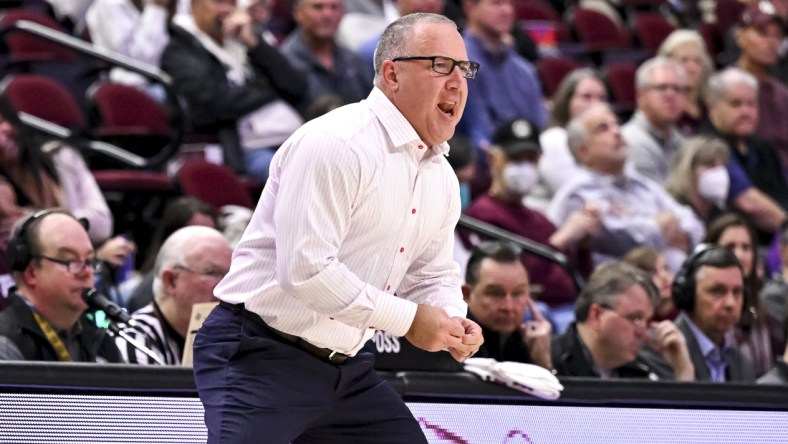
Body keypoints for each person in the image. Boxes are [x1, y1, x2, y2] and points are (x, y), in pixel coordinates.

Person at [193, 13, 483, 443]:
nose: (458, 81)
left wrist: (452, 320)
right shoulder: (336, 143)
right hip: (261, 353)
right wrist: (409, 321)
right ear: (392, 74)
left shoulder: (440, 174)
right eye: (441, 65)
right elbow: (306, 271)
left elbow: (432, 274)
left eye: (465, 68)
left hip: (346, 366)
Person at [463, 118, 599, 331]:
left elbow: (577, 276)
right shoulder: (483, 215)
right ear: (493, 159)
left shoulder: (539, 218)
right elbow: (518, 278)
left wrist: (583, 246)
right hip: (534, 311)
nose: (524, 167)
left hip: (568, 307)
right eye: (514, 158)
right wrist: (562, 239)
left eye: (531, 159)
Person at [546, 103, 705, 271]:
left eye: (616, 124)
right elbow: (629, 244)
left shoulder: (643, 185)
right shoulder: (578, 195)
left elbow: (695, 225)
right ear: (583, 152)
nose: (616, 132)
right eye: (603, 129)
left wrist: (668, 231)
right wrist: (663, 225)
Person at [161, 0, 307, 180]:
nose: (226, 10)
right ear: (195, 6)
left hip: (292, 138)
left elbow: (296, 86)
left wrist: (254, 44)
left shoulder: (244, 39)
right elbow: (216, 105)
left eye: (231, 3)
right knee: (298, 177)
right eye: (219, 2)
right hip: (243, 149)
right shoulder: (179, 51)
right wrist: (269, 87)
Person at [0, 209, 122, 363]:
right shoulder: (5, 345)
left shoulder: (100, 339)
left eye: (89, 260)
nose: (86, 272)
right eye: (70, 260)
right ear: (31, 273)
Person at [551, 261, 695, 381]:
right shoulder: (547, 362)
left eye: (646, 321)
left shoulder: (644, 369)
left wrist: (683, 370)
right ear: (596, 315)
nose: (642, 332)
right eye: (634, 318)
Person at [118, 226, 232, 365]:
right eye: (212, 272)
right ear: (170, 281)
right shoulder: (134, 341)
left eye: (232, 275)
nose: (227, 286)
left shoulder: (231, 336)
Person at [704, 67, 788, 243]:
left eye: (751, 104)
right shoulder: (707, 146)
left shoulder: (763, 147)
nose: (746, 112)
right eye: (736, 104)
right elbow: (749, 202)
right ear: (713, 106)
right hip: (736, 247)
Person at [458, 0, 547, 151]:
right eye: (496, 3)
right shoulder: (463, 63)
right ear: (470, 8)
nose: (507, 11)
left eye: (510, 3)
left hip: (527, 156)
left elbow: (539, 127)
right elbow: (477, 129)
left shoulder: (525, 70)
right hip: (478, 160)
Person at [667, 243, 757, 382]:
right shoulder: (665, 354)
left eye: (737, 292)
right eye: (717, 291)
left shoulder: (743, 365)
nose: (730, 303)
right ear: (688, 295)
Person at [705, 214, 780, 377]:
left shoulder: (765, 314)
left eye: (746, 247)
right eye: (730, 247)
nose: (739, 255)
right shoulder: (703, 313)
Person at [462, 241, 552, 369]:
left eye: (517, 293)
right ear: (467, 294)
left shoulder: (534, 342)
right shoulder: (449, 346)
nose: (508, 307)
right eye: (495, 294)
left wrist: (543, 364)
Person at [126, 196, 219, 313]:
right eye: (196, 237)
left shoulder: (225, 279)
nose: (207, 244)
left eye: (211, 235)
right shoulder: (149, 289)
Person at [280, 0, 373, 109]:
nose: (327, 15)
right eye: (318, 7)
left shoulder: (353, 60)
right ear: (298, 13)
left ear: (343, 12)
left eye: (334, 7)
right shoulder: (284, 63)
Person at [536, 68, 608, 208]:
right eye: (586, 97)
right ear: (567, 102)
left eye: (602, 98)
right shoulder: (554, 139)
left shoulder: (607, 141)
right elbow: (579, 197)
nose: (596, 105)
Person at [733, 0, 788, 171]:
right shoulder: (726, 87)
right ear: (740, 37)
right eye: (762, 33)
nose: (771, 42)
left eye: (777, 35)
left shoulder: (781, 92)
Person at [85, 0, 178, 94]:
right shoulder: (108, 5)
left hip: (167, 72)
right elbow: (139, 60)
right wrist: (157, 8)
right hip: (136, 84)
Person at [622, 56, 689, 184]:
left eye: (677, 89)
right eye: (662, 88)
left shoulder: (681, 141)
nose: (670, 95)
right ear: (640, 96)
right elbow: (655, 201)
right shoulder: (630, 142)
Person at [657, 29, 715, 136]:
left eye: (697, 61)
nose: (691, 68)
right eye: (684, 60)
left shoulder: (710, 106)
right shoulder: (662, 109)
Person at [624, 247, 678, 321]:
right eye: (653, 272)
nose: (664, 276)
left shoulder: (691, 311)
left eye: (666, 268)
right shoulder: (637, 321)